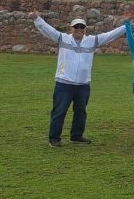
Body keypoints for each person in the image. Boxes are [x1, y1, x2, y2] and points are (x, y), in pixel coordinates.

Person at [31, 11, 127, 147]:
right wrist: (37, 19)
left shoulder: (91, 41)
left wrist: (125, 26)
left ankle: (76, 136)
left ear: (85, 30)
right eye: (77, 27)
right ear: (71, 29)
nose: (79, 30)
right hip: (64, 83)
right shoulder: (62, 38)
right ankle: (54, 138)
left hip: (83, 84)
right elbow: (48, 30)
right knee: (59, 111)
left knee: (81, 112)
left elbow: (110, 36)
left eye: (82, 27)